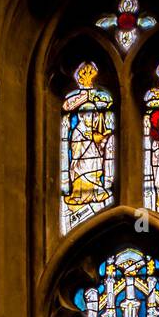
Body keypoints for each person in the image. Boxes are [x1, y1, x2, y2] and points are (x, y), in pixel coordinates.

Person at [62, 62, 115, 216]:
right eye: (88, 116)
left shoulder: (92, 130)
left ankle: (96, 193)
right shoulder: (78, 130)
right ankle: (80, 197)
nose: (91, 119)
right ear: (81, 116)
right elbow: (76, 148)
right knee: (82, 177)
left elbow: (98, 143)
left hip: (94, 162)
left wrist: (102, 141)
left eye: (92, 116)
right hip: (81, 164)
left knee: (95, 177)